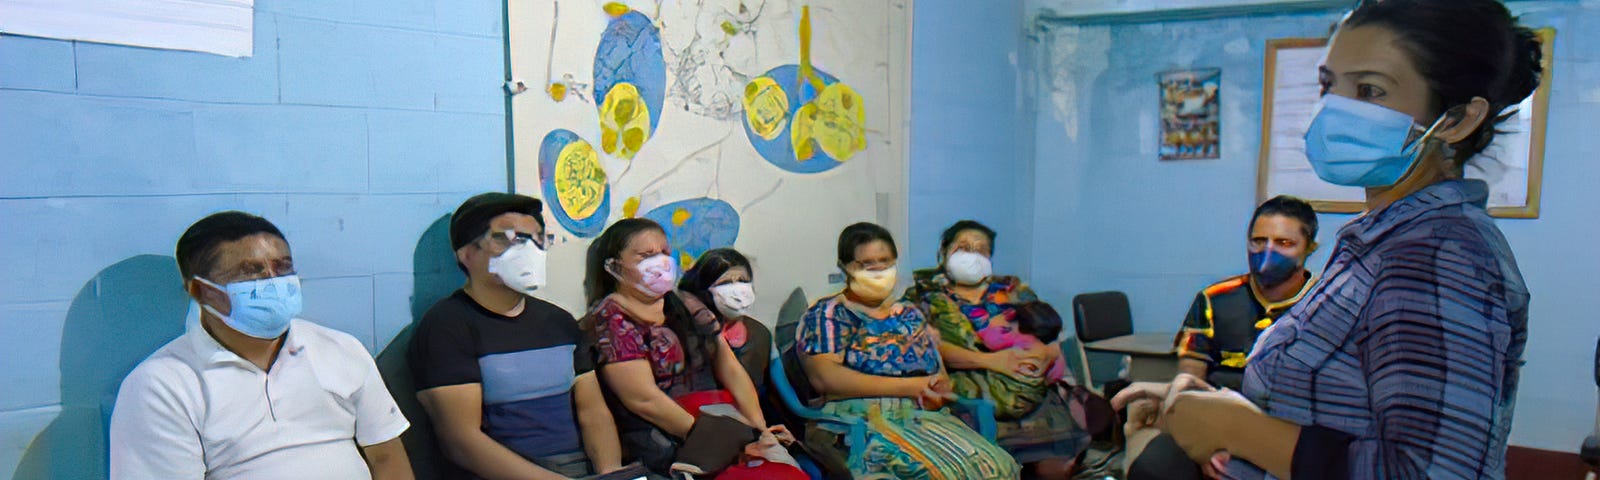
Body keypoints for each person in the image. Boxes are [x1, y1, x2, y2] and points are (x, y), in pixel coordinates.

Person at [1116, 1, 1536, 478]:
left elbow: (1430, 471)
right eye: (1329, 85)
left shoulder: (1437, 255)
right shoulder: (1380, 241)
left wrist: (1240, 430)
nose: (1336, 108)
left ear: (1457, 120)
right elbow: (1342, 410)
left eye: (1369, 90)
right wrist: (1210, 412)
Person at [110, 211, 413, 479]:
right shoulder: (162, 385)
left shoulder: (341, 350)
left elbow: (387, 457)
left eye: (283, 268)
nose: (272, 281)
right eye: (250, 271)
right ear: (201, 291)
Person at [409, 192, 627, 479]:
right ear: (466, 253)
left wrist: (610, 474)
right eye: (509, 238)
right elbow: (461, 442)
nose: (529, 251)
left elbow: (593, 412)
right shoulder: (446, 327)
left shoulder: (559, 321)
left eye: (537, 240)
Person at [579, 219, 805, 479]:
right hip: (668, 440)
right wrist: (717, 438)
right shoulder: (610, 321)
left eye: (664, 252)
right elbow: (644, 400)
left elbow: (730, 368)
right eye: (646, 255)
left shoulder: (687, 306)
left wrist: (758, 428)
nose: (661, 261)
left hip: (723, 423)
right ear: (614, 266)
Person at [800, 222, 1021, 479]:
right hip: (857, 422)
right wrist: (913, 387)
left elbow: (939, 376)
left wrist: (938, 391)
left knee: (998, 469)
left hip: (923, 418)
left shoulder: (909, 314)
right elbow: (825, 379)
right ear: (846, 267)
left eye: (885, 262)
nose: (878, 271)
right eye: (867, 264)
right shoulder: (828, 314)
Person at [902, 220, 1087, 478]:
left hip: (1030, 389)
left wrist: (1046, 355)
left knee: (1055, 462)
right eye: (963, 247)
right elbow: (924, 347)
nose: (972, 255)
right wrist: (993, 361)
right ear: (944, 251)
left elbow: (1048, 331)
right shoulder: (922, 295)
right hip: (967, 393)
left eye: (981, 250)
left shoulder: (1013, 291)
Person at [1174, 196, 1319, 390]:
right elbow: (1190, 375)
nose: (1268, 252)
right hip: (1221, 412)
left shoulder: (1330, 303)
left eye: (1283, 243)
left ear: (1310, 248)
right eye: (1258, 241)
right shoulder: (1213, 299)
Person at [678, 248, 772, 394]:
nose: (737, 291)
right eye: (725, 283)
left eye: (743, 281)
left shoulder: (760, 333)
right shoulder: (689, 335)